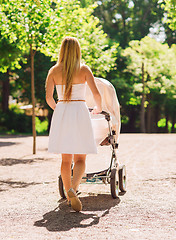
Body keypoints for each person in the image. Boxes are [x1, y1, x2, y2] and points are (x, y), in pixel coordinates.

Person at [45, 36, 102, 212]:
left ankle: (70, 190)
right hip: (79, 110)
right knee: (80, 158)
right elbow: (97, 94)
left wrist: (59, 109)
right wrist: (98, 108)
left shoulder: (53, 71)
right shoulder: (84, 69)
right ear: (77, 50)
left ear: (61, 50)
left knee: (65, 159)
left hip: (63, 109)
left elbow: (48, 98)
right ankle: (73, 190)